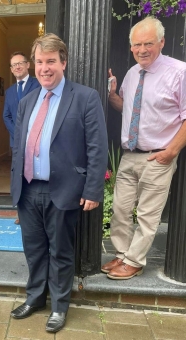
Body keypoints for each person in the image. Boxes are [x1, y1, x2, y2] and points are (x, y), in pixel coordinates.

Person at [10, 33, 107, 333]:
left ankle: (59, 307)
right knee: (34, 250)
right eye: (39, 62)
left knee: (61, 251)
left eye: (51, 61)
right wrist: (14, 186)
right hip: (28, 189)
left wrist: (92, 189)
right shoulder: (27, 101)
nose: (44, 68)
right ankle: (36, 297)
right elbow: (19, 146)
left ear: (63, 62)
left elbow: (97, 146)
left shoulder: (85, 97)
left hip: (64, 190)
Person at [102, 17, 186, 280]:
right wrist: (113, 95)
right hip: (129, 155)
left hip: (158, 156)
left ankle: (135, 260)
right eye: (137, 44)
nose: (142, 49)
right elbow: (125, 108)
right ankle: (122, 254)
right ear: (131, 47)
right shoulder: (131, 73)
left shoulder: (179, 72)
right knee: (121, 209)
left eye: (148, 43)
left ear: (161, 42)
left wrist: (171, 151)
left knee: (148, 215)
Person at [3, 52, 40, 225]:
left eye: (20, 63)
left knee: (34, 176)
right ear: (11, 70)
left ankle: (36, 213)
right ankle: (21, 214)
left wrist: (28, 133)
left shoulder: (38, 85)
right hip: (16, 143)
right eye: (14, 65)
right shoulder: (9, 92)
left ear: (28, 65)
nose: (17, 67)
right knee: (19, 177)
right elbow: (6, 116)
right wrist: (18, 135)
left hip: (36, 140)